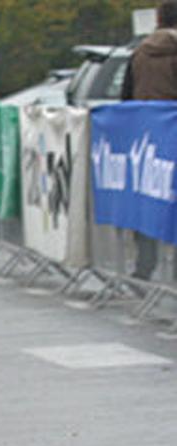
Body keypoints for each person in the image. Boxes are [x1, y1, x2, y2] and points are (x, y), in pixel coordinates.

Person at [121, 0, 177, 281]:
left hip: (146, 141)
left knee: (147, 200)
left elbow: (126, 97)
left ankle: (144, 266)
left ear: (158, 20)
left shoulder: (139, 53)